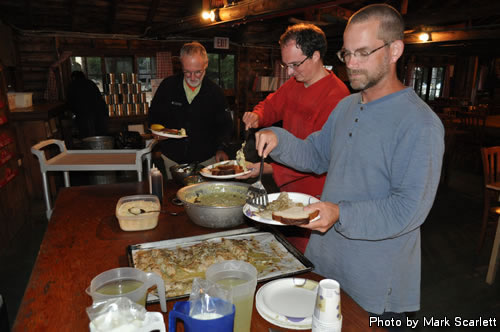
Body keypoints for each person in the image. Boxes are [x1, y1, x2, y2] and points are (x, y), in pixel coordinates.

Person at [253, 4, 444, 321]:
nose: (351, 64)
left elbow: (408, 209)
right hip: (325, 260)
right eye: (346, 54)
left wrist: (339, 213)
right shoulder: (346, 106)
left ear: (394, 49)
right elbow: (316, 154)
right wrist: (278, 138)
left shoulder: (420, 123)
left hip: (374, 280)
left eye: (363, 53)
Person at [240, 23, 350, 252]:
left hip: (316, 193)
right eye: (286, 65)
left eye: (295, 65)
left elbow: (319, 158)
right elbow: (272, 105)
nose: (289, 72)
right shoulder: (294, 84)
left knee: (307, 254)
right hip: (288, 188)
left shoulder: (338, 97)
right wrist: (257, 115)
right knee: (285, 248)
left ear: (316, 56)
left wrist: (268, 169)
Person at [148, 42, 232, 178]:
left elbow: (225, 125)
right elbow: (153, 115)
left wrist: (222, 148)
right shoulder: (167, 86)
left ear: (206, 65)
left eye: (198, 72)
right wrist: (156, 132)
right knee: (174, 195)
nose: (193, 78)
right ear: (181, 65)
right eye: (187, 72)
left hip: (206, 159)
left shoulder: (215, 92)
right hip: (172, 158)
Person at [67, 71, 109, 139]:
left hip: (85, 115)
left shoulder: (72, 85)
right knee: (100, 136)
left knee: (88, 138)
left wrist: (75, 112)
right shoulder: (91, 83)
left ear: (73, 78)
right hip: (100, 113)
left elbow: (70, 103)